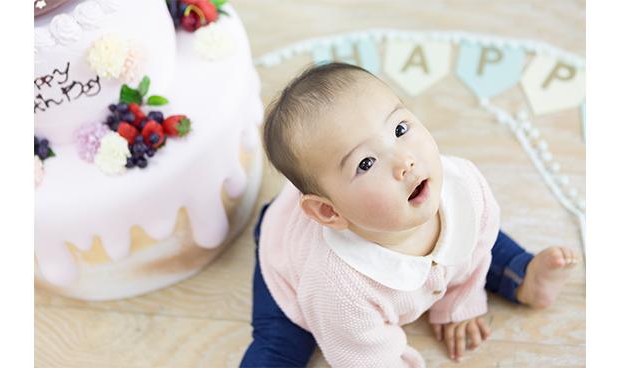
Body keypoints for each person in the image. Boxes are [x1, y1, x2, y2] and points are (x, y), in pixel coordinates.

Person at [240, 62, 582, 368]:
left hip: (412, 234)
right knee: (279, 346)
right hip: (286, 264)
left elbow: (478, 250)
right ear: (329, 211)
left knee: (471, 232)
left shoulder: (465, 186)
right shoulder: (337, 285)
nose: (405, 162)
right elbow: (365, 355)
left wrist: (461, 303)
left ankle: (522, 273)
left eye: (400, 130)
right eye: (366, 163)